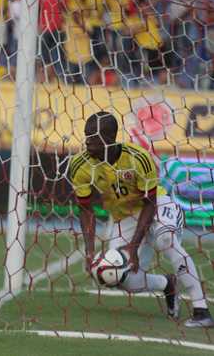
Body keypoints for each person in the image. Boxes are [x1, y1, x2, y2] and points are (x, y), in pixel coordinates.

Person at [69, 111, 214, 328]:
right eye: (86, 135)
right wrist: (90, 251)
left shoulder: (138, 158)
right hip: (123, 217)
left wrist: (133, 246)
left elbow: (150, 202)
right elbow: (85, 209)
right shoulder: (80, 165)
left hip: (157, 205)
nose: (88, 141)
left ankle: (201, 310)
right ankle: (167, 284)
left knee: (166, 241)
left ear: (109, 139)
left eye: (93, 137)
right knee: (118, 277)